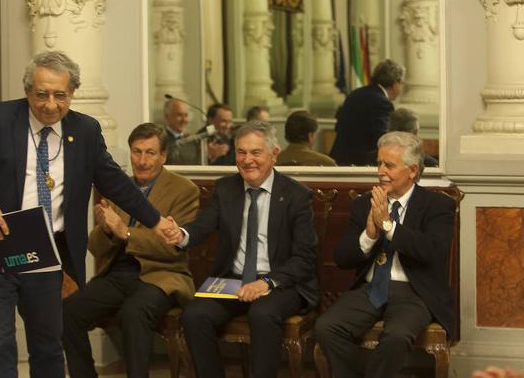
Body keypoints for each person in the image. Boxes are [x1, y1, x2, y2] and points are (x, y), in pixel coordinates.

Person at [0, 50, 173, 378]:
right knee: (0, 343)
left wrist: (156, 220)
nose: (51, 104)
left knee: (48, 345)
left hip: (46, 254)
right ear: (27, 91)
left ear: (72, 93)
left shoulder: (86, 131)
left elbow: (116, 183)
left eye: (60, 95)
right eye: (42, 94)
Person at [170, 121, 319, 378]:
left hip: (281, 283)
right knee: (195, 315)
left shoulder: (295, 196)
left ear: (274, 154)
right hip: (233, 281)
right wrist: (180, 234)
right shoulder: (226, 189)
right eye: (241, 152)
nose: (247, 160)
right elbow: (202, 227)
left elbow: (304, 258)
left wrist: (267, 283)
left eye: (255, 152)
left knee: (263, 312)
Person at [314, 131, 456, 378]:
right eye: (379, 163)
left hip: (414, 293)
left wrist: (388, 226)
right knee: (327, 327)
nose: (380, 171)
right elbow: (342, 258)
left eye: (389, 165)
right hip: (369, 290)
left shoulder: (437, 206)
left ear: (412, 171)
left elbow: (432, 251)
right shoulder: (364, 203)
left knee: (397, 336)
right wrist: (369, 233)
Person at [62, 123, 199, 378]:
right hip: (118, 273)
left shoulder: (184, 190)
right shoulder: (119, 186)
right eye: (137, 152)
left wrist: (124, 231)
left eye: (150, 153)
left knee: (133, 313)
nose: (142, 161)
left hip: (162, 275)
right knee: (69, 312)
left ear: (163, 156)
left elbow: (172, 247)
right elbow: (94, 248)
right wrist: (106, 228)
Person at [329, 59, 405, 166]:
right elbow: (381, 139)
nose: (401, 88)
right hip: (360, 165)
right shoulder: (382, 103)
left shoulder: (355, 93)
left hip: (339, 159)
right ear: (395, 83)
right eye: (402, 83)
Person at [162, 98, 201, 165]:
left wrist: (210, 155)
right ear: (167, 117)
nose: (184, 120)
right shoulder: (160, 139)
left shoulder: (193, 141)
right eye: (179, 115)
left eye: (186, 115)